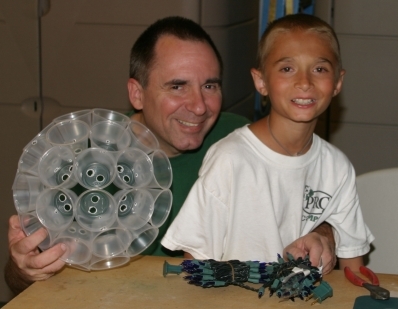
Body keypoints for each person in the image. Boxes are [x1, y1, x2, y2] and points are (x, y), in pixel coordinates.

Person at [5, 16, 336, 295]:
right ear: (137, 93)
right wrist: (25, 269)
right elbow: (19, 282)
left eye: (210, 86)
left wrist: (322, 233)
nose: (198, 106)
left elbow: (312, 204)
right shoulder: (83, 164)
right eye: (177, 86)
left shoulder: (242, 140)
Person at [161, 14, 374, 271]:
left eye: (319, 69)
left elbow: (354, 268)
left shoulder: (337, 167)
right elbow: (195, 267)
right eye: (287, 68)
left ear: (337, 82)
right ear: (261, 81)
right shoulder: (230, 159)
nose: (305, 82)